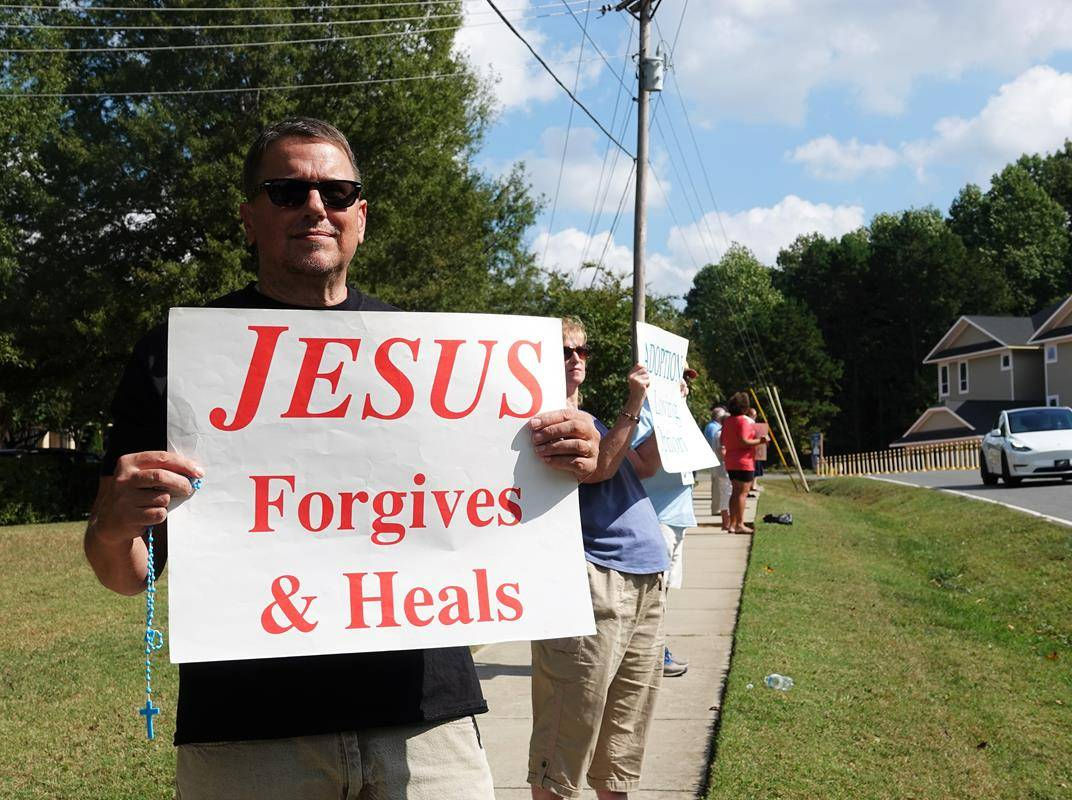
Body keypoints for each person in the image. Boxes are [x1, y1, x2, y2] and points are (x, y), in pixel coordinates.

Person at [83, 117, 602, 800]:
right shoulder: (177, 356)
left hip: (427, 725)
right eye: (286, 191)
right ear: (249, 218)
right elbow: (126, 575)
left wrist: (570, 453)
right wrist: (113, 525)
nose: (314, 207)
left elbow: (505, 512)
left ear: (361, 215)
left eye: (336, 192)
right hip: (247, 734)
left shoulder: (443, 358)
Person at [527, 318, 667, 800]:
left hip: (643, 579)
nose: (576, 359)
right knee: (566, 736)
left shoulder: (589, 418)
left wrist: (670, 414)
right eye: (565, 351)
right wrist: (633, 404)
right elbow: (597, 468)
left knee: (620, 750)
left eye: (582, 350)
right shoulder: (541, 418)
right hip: (595, 581)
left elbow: (643, 465)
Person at [627, 366, 700, 678]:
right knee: (652, 595)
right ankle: (652, 654)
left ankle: (655, 651)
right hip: (655, 515)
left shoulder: (677, 410)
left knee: (663, 592)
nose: (684, 383)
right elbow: (639, 464)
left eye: (687, 377)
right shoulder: (644, 411)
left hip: (675, 515)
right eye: (679, 375)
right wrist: (669, 416)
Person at [720, 392, 767, 535]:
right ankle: (740, 524)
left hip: (730, 460)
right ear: (745, 407)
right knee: (743, 493)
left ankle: (732, 524)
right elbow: (744, 441)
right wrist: (761, 441)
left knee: (735, 492)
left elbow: (723, 440)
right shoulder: (743, 421)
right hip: (744, 461)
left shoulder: (727, 421)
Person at [703, 406, 731, 532]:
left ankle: (726, 521)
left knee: (722, 493)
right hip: (724, 468)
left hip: (718, 466)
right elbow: (723, 452)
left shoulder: (714, 430)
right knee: (726, 494)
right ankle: (726, 522)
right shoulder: (721, 433)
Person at [746, 406, 767, 496]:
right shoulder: (748, 424)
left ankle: (753, 485)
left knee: (757, 469)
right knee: (753, 469)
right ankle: (751, 486)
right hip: (751, 450)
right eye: (752, 415)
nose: (754, 417)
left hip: (757, 449)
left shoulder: (756, 425)